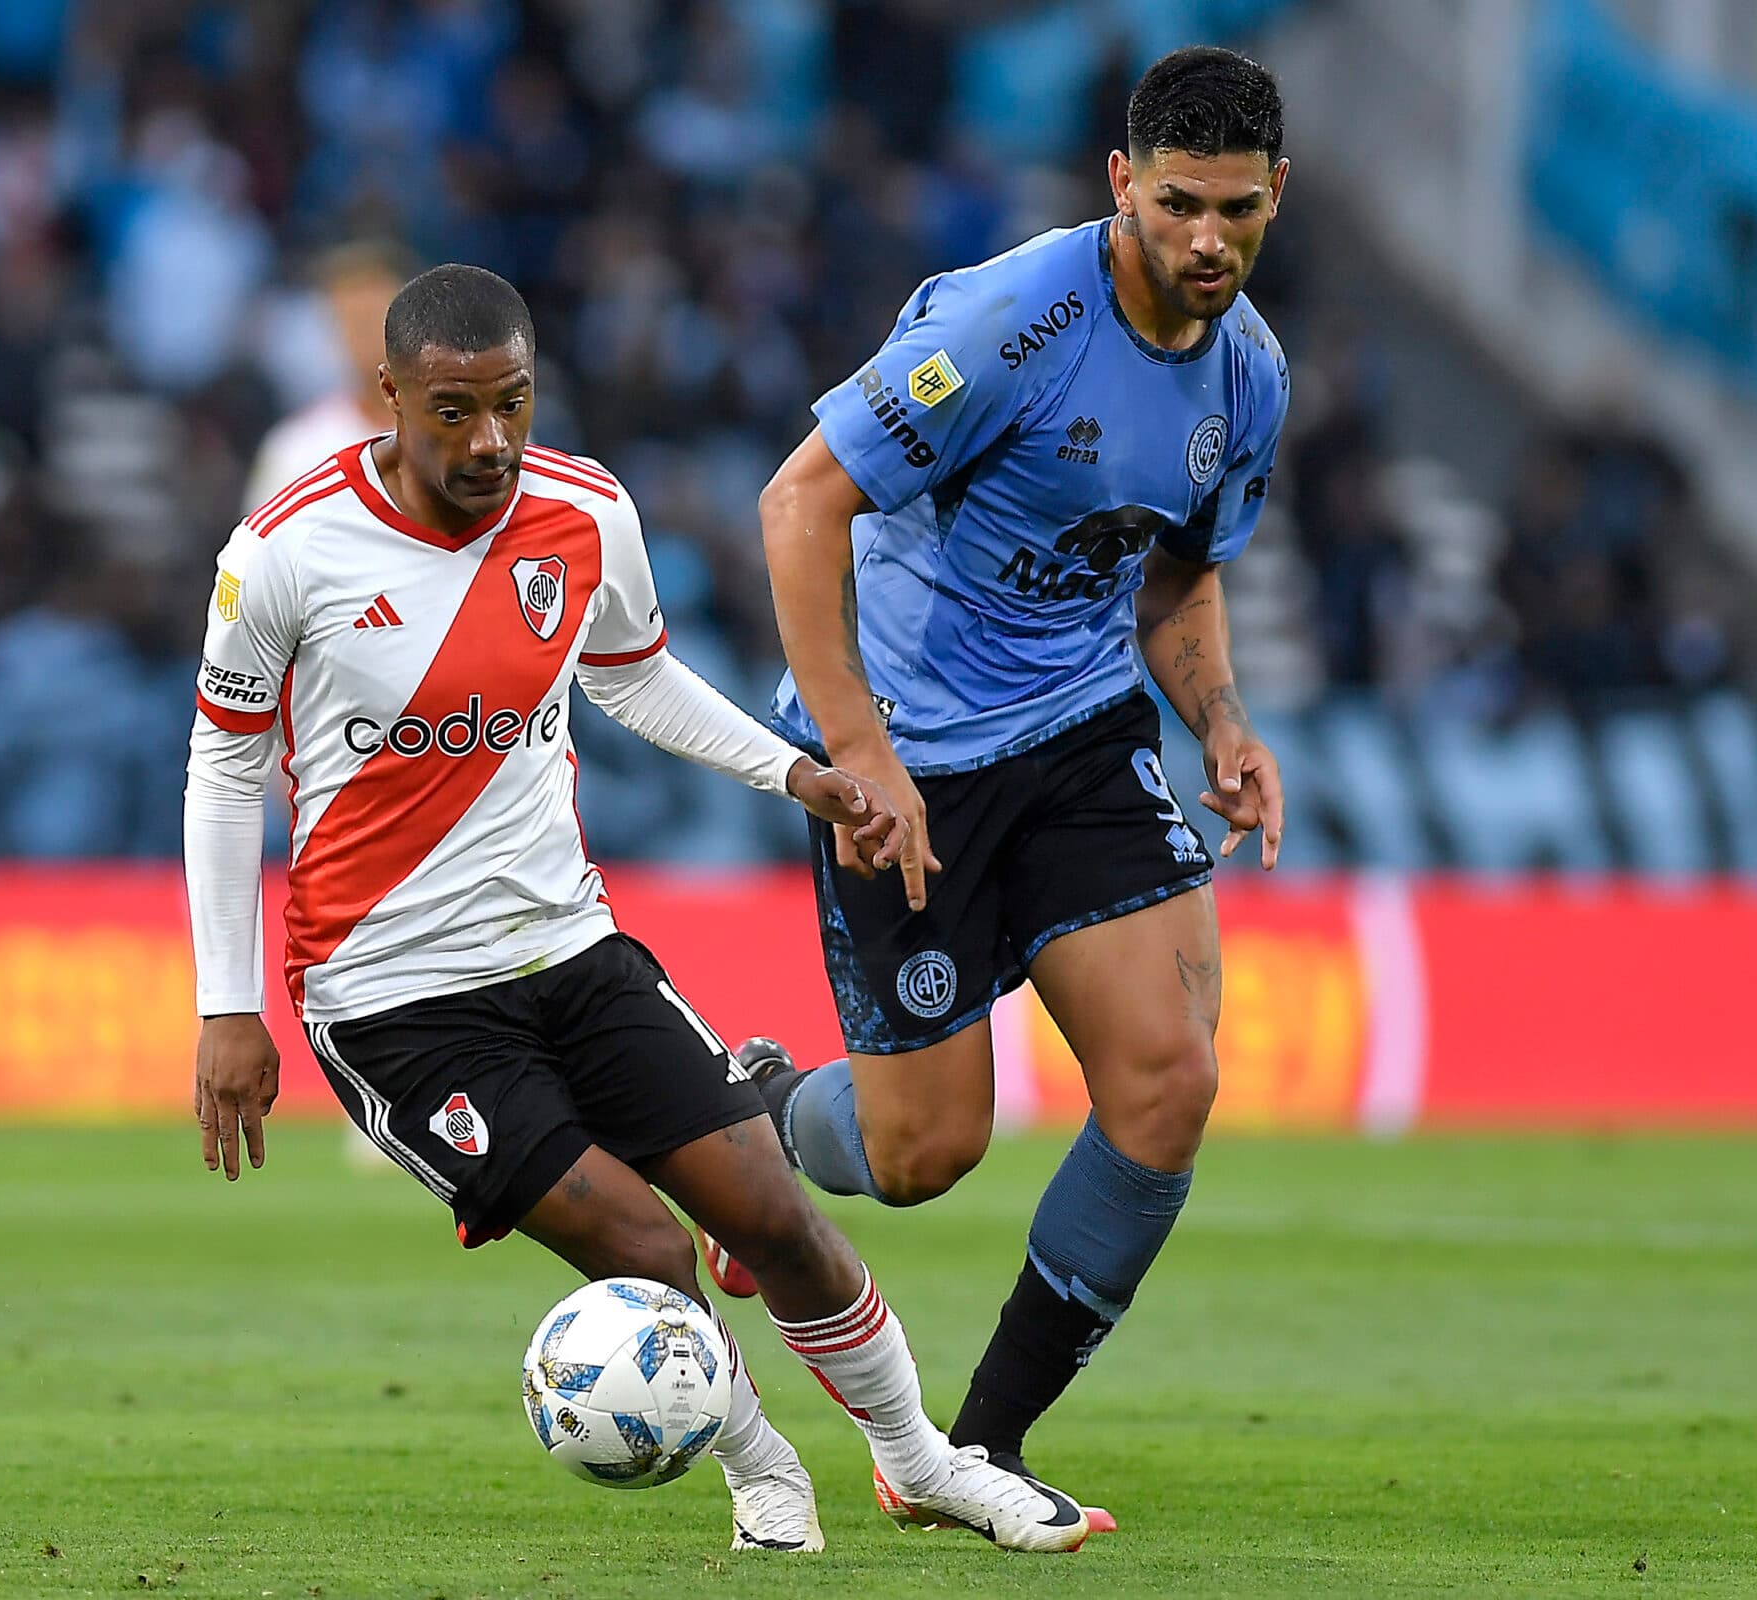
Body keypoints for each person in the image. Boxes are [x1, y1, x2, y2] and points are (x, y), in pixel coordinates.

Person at [183, 264, 1094, 1554]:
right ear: (387, 396)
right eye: (455, 411)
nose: (491, 440)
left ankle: (923, 1462)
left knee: (774, 1214)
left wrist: (795, 775)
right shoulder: (284, 551)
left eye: (512, 403)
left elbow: (638, 680)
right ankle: (765, 1466)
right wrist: (228, 1003)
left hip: (572, 948)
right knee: (646, 1250)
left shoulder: (584, 509)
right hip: (395, 997)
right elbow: (221, 767)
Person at [716, 46, 1294, 1526]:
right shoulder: (1006, 323)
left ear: (1276, 193)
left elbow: (1173, 582)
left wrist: (1219, 720)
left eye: (1237, 208)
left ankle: (977, 1449)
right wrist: (859, 754)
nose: (1209, 240)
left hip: (1081, 732)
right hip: (908, 758)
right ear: (1123, 183)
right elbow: (797, 504)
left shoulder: (1250, 374)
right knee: (922, 1156)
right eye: (1179, 205)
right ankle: (760, 1120)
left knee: (1169, 1081)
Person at [242, 241, 418, 512]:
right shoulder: (298, 450)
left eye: (375, 315)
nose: (365, 334)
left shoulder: (469, 437)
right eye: (351, 320)